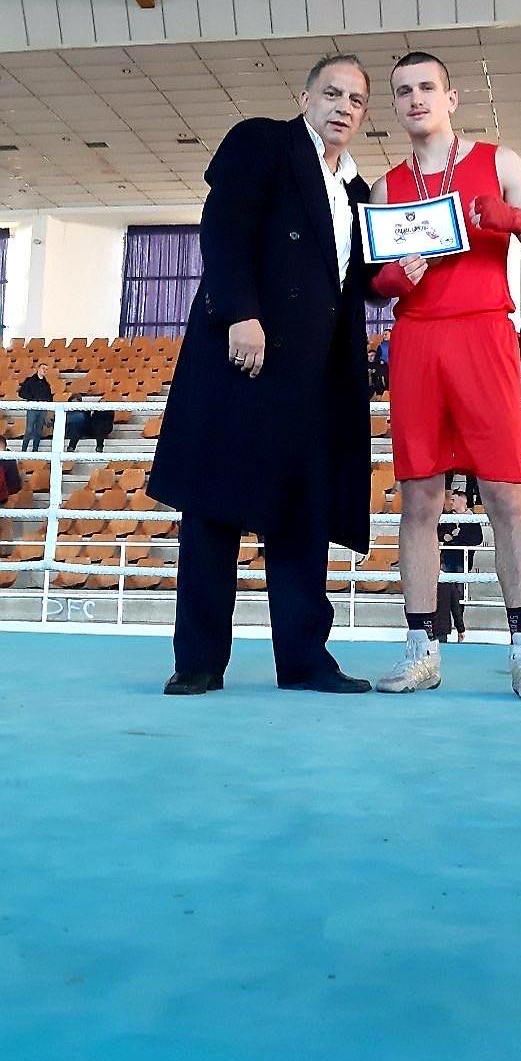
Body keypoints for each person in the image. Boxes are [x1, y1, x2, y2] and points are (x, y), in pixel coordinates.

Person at [148, 53, 375, 696]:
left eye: (356, 100)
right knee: (214, 512)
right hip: (244, 357)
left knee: (304, 518)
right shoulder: (262, 142)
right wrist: (239, 314)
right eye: (331, 93)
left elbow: (353, 281)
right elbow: (223, 229)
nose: (343, 107)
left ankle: (304, 661)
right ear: (305, 99)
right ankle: (199, 661)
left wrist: (401, 269)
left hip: (316, 376)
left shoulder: (357, 192)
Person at [367, 50, 521, 701]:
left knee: (507, 495)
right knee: (419, 500)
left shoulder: (499, 162)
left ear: (451, 98)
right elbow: (371, 284)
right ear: (395, 105)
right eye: (403, 90)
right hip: (417, 340)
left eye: (427, 87)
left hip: (483, 333)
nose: (416, 98)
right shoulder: (385, 189)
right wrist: (390, 282)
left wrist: (516, 221)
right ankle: (421, 651)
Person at [435, 476, 483, 642]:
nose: (451, 502)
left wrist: (458, 537)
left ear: (463, 500)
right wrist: (446, 536)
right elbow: (438, 532)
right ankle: (446, 625)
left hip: (462, 560)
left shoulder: (472, 519)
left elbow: (477, 539)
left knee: (459, 594)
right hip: (448, 558)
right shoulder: (447, 516)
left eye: (454, 499)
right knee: (444, 591)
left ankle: (459, 625)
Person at [18, 363, 53, 452]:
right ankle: (23, 450)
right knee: (29, 430)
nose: (44, 370)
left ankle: (35, 450)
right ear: (38, 369)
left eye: (46, 369)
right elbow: (21, 393)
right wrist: (33, 398)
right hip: (32, 407)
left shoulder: (46, 384)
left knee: (38, 430)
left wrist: (45, 401)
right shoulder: (30, 380)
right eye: (43, 368)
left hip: (42, 409)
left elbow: (50, 397)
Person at [0, 433, 22, 545]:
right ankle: (6, 550)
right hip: (7, 495)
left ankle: (6, 550)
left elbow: (13, 481)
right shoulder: (10, 457)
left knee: (5, 527)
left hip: (6, 497)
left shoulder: (7, 460)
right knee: (6, 527)